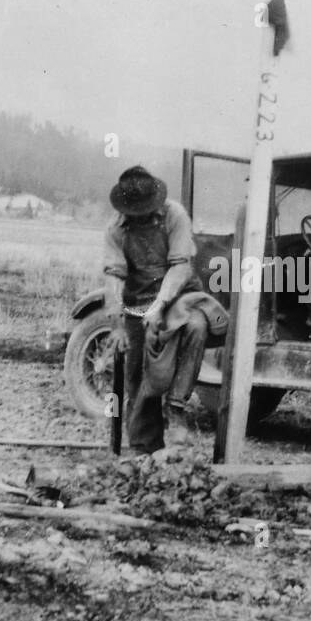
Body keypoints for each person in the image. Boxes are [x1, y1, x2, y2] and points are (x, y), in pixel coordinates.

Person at [103, 165, 208, 453]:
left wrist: (160, 304)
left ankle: (176, 407)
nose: (140, 218)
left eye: (146, 211)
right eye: (134, 213)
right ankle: (144, 450)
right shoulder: (116, 229)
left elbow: (181, 265)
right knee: (137, 375)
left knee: (196, 326)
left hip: (178, 297)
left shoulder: (175, 216)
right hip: (137, 303)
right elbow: (113, 274)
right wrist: (117, 324)